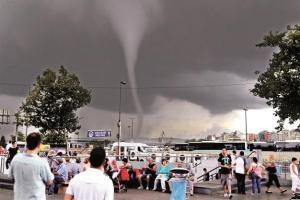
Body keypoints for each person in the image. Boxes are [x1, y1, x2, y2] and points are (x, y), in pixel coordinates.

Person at [9, 132, 54, 200]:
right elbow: (49, 181)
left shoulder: (16, 159)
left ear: (27, 143)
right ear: (39, 145)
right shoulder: (42, 162)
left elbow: (11, 177)